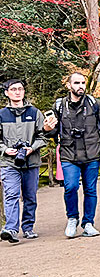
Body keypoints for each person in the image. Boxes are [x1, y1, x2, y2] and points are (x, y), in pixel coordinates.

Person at [43, 72, 100, 238]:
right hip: (69, 153)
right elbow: (52, 131)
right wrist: (47, 129)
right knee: (71, 187)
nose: (80, 86)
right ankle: (72, 218)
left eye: (83, 82)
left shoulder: (95, 104)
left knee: (90, 190)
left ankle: (88, 223)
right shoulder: (59, 105)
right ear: (68, 85)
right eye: (76, 83)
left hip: (92, 153)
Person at [0, 79, 47, 242]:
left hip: (31, 161)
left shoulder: (35, 113)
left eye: (20, 89)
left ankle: (28, 227)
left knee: (30, 196)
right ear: (6, 92)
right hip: (8, 162)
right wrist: (5, 149)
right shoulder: (1, 115)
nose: (17, 92)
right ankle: (11, 229)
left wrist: (32, 148)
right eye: (13, 89)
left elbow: (43, 137)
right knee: (11, 194)